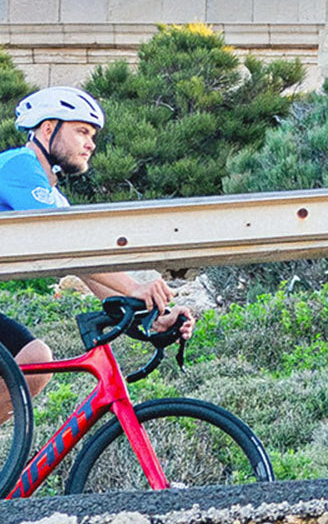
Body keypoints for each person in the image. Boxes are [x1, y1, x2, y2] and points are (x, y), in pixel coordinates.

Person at [0, 87, 195, 409]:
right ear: (48, 128)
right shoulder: (19, 166)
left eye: (92, 135)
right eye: (82, 131)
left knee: (32, 362)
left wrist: (151, 318)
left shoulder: (50, 195)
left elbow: (87, 267)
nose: (91, 143)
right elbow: (67, 245)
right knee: (34, 359)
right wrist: (136, 286)